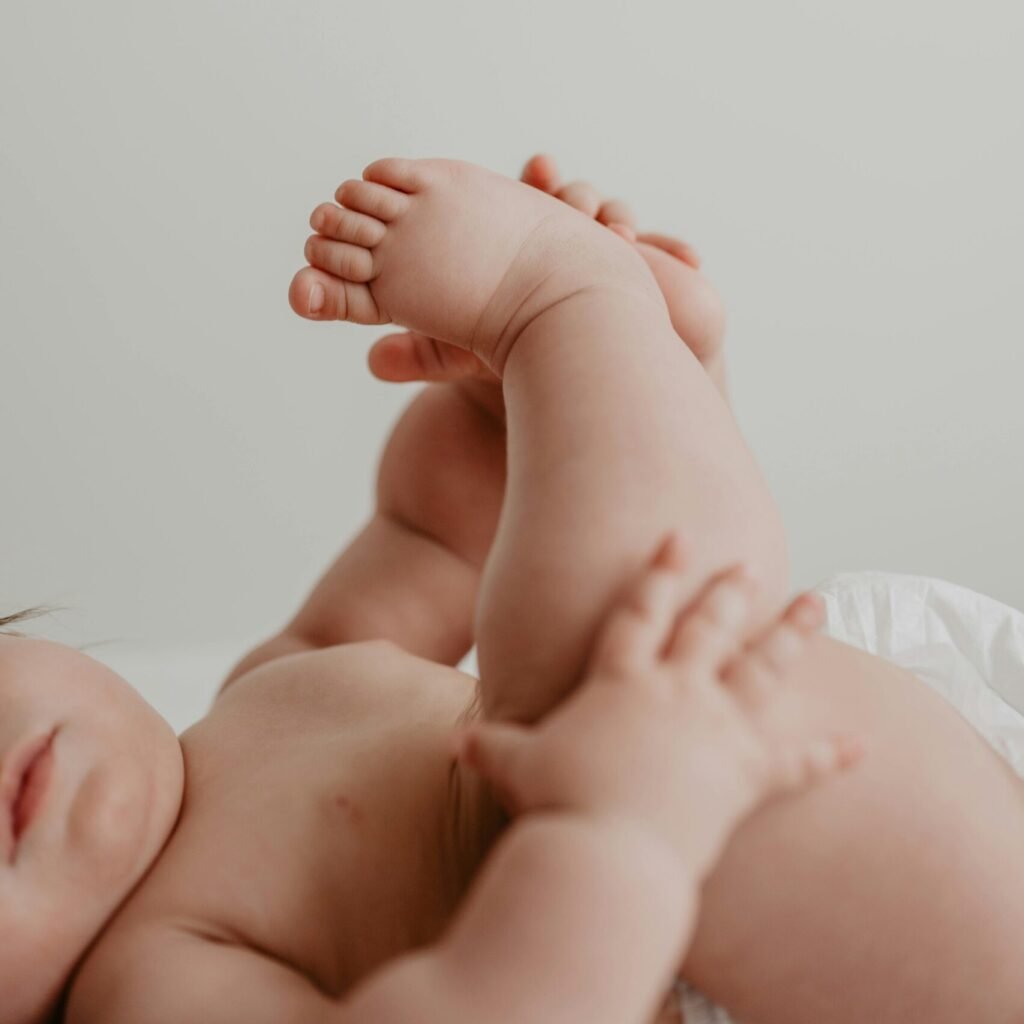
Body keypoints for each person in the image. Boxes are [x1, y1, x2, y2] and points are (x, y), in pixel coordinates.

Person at [2, 154, 1021, 1024]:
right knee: (584, 663)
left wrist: (503, 415)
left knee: (605, 648)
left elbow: (436, 542)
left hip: (849, 790)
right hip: (667, 943)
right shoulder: (148, 984)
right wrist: (620, 829)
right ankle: (570, 303)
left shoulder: (262, 690)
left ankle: (613, 347)